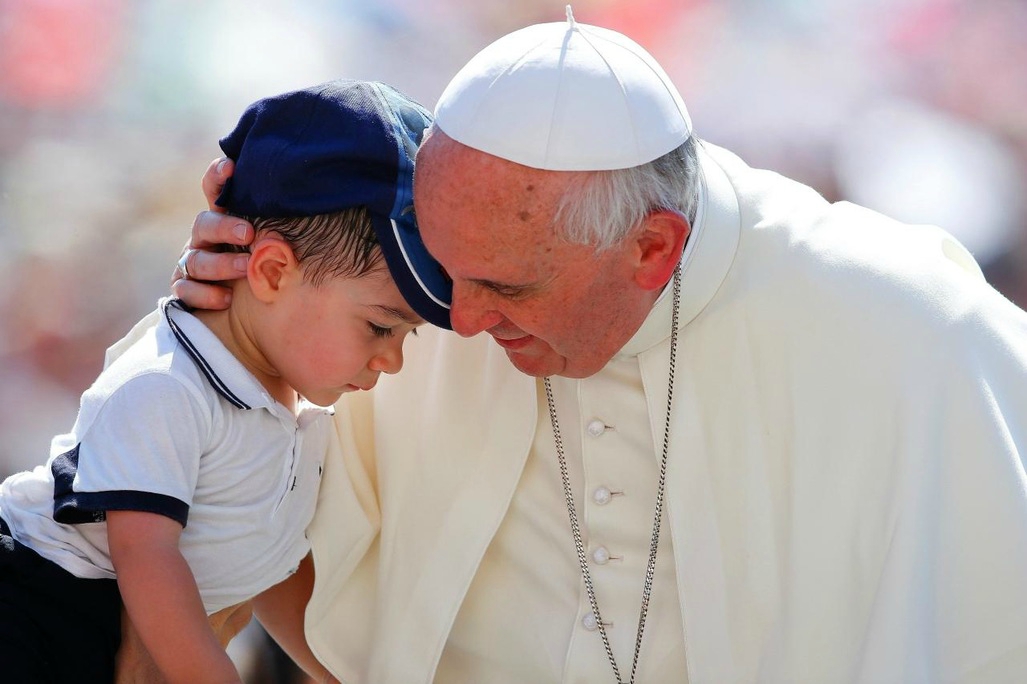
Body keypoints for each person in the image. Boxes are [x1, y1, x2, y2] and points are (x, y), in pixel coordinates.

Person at [167, 9, 1027, 684]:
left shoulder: (911, 336)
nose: (456, 322)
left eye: (506, 288)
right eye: (444, 267)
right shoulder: (406, 276)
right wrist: (236, 311)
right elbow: (205, 488)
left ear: (652, 249)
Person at [0, 79, 450, 684]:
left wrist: (337, 673)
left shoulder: (287, 411)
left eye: (407, 336)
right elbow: (147, 562)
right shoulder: (165, 387)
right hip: (37, 605)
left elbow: (266, 563)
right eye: (379, 327)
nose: (392, 360)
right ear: (270, 271)